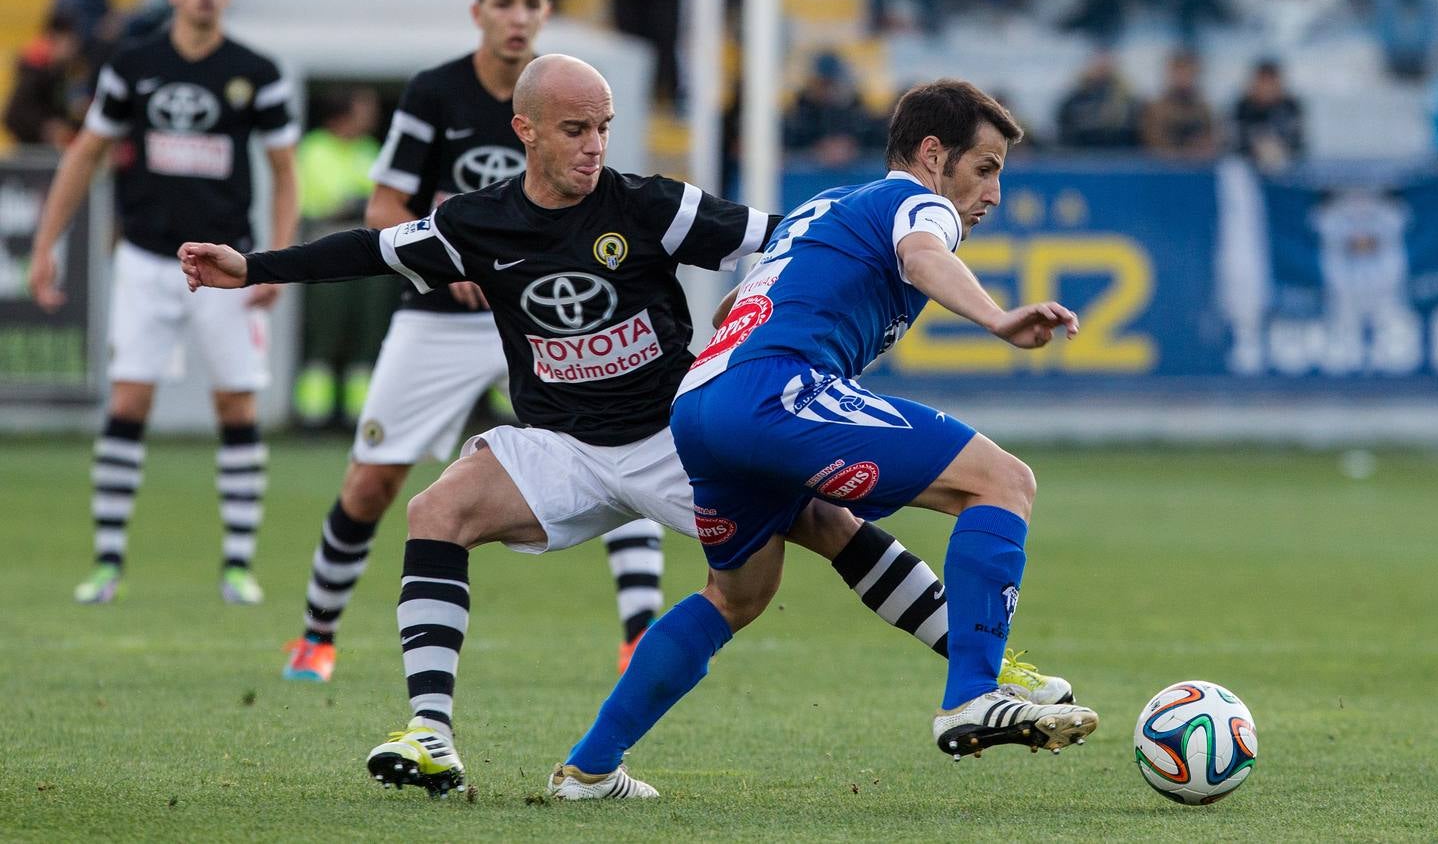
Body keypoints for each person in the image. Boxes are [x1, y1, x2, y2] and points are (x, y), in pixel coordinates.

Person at [179, 55, 1061, 796]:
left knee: (800, 547)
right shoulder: (477, 221)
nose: (594, 144)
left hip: (670, 431)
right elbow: (366, 251)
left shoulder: (647, 204)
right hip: (564, 444)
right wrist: (249, 264)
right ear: (525, 131)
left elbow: (776, 234)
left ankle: (984, 665)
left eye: (602, 126)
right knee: (433, 513)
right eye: (575, 129)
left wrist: (819, 259)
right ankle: (429, 734)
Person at [548, 79, 1099, 800]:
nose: (992, 190)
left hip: (701, 406)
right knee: (1000, 482)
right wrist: (995, 319)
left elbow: (735, 303)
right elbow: (921, 258)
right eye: (985, 167)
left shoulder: (822, 207)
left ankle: (589, 770)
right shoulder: (915, 201)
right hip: (775, 390)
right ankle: (971, 692)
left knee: (737, 594)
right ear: (932, 154)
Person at [278, 0, 672, 684]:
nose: (519, 17)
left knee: (625, 440)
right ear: (478, 12)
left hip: (552, 317)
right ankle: (315, 635)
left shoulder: (568, 96)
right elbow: (383, 209)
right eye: (505, 3)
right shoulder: (436, 94)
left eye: (532, 4)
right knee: (371, 481)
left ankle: (637, 634)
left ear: (545, 13)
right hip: (442, 318)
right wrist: (458, 259)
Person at [28, 0, 299, 606]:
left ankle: (238, 567)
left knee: (236, 403)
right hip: (147, 259)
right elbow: (85, 154)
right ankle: (108, 564)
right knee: (128, 402)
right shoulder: (133, 65)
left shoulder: (255, 72)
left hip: (224, 264)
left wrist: (276, 262)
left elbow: (284, 171)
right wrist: (45, 245)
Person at [291, 86, 391, 430]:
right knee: (325, 333)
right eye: (364, 106)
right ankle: (314, 416)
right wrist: (360, 202)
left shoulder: (370, 148)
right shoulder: (314, 148)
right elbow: (325, 201)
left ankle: (357, 414)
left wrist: (362, 203)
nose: (371, 115)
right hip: (326, 253)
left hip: (370, 255)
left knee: (368, 332)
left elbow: (383, 199)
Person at [3, 12, 88, 148]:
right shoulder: (35, 73)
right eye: (70, 41)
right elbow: (13, 116)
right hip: (34, 155)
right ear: (53, 39)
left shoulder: (63, 71)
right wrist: (45, 127)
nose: (74, 47)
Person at [1055, 49, 1144, 151]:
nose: (1101, 68)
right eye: (1097, 64)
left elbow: (1136, 133)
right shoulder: (1073, 101)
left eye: (1105, 64)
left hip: (1121, 158)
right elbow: (1065, 132)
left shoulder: (1128, 100)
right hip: (1082, 158)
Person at [1141, 50, 1218, 159]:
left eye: (1188, 72)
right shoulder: (1156, 108)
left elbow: (1213, 139)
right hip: (1163, 170)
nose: (1183, 77)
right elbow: (1153, 141)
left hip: (1197, 168)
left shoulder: (1204, 108)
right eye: (1179, 72)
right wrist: (1181, 151)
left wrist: (1201, 147)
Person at [1232, 60, 1305, 171]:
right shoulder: (1242, 107)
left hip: (1285, 163)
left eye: (1271, 83)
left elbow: (1298, 143)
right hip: (1248, 166)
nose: (1266, 88)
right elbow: (1234, 142)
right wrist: (1256, 149)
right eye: (1263, 82)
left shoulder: (1290, 106)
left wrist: (1280, 149)